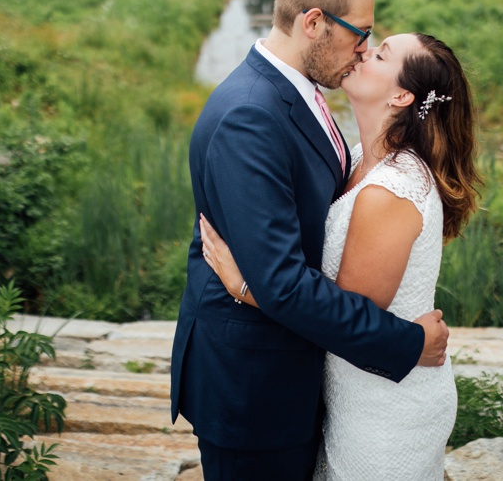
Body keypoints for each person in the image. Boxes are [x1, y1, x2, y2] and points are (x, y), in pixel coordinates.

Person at [170, 0, 452, 480]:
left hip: (306, 380)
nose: (363, 49)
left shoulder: (303, 95)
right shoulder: (250, 115)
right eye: (359, 33)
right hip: (252, 389)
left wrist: (247, 281)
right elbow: (281, 282)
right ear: (314, 23)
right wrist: (407, 342)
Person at [201, 30, 482, 478]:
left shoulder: (392, 188)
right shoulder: (356, 159)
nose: (363, 51)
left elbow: (348, 316)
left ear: (403, 94)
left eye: (381, 53)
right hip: (354, 389)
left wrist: (248, 286)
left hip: (384, 407)